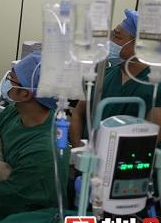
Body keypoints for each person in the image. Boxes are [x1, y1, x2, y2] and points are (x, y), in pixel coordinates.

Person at [0, 53, 69, 223]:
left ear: (25, 93)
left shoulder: (46, 150)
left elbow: (6, 198)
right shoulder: (14, 111)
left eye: (11, 79)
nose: (7, 82)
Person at [69, 9, 161, 146]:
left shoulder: (155, 86)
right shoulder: (103, 73)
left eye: (117, 37)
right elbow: (78, 114)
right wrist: (79, 150)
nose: (110, 43)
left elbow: (150, 140)